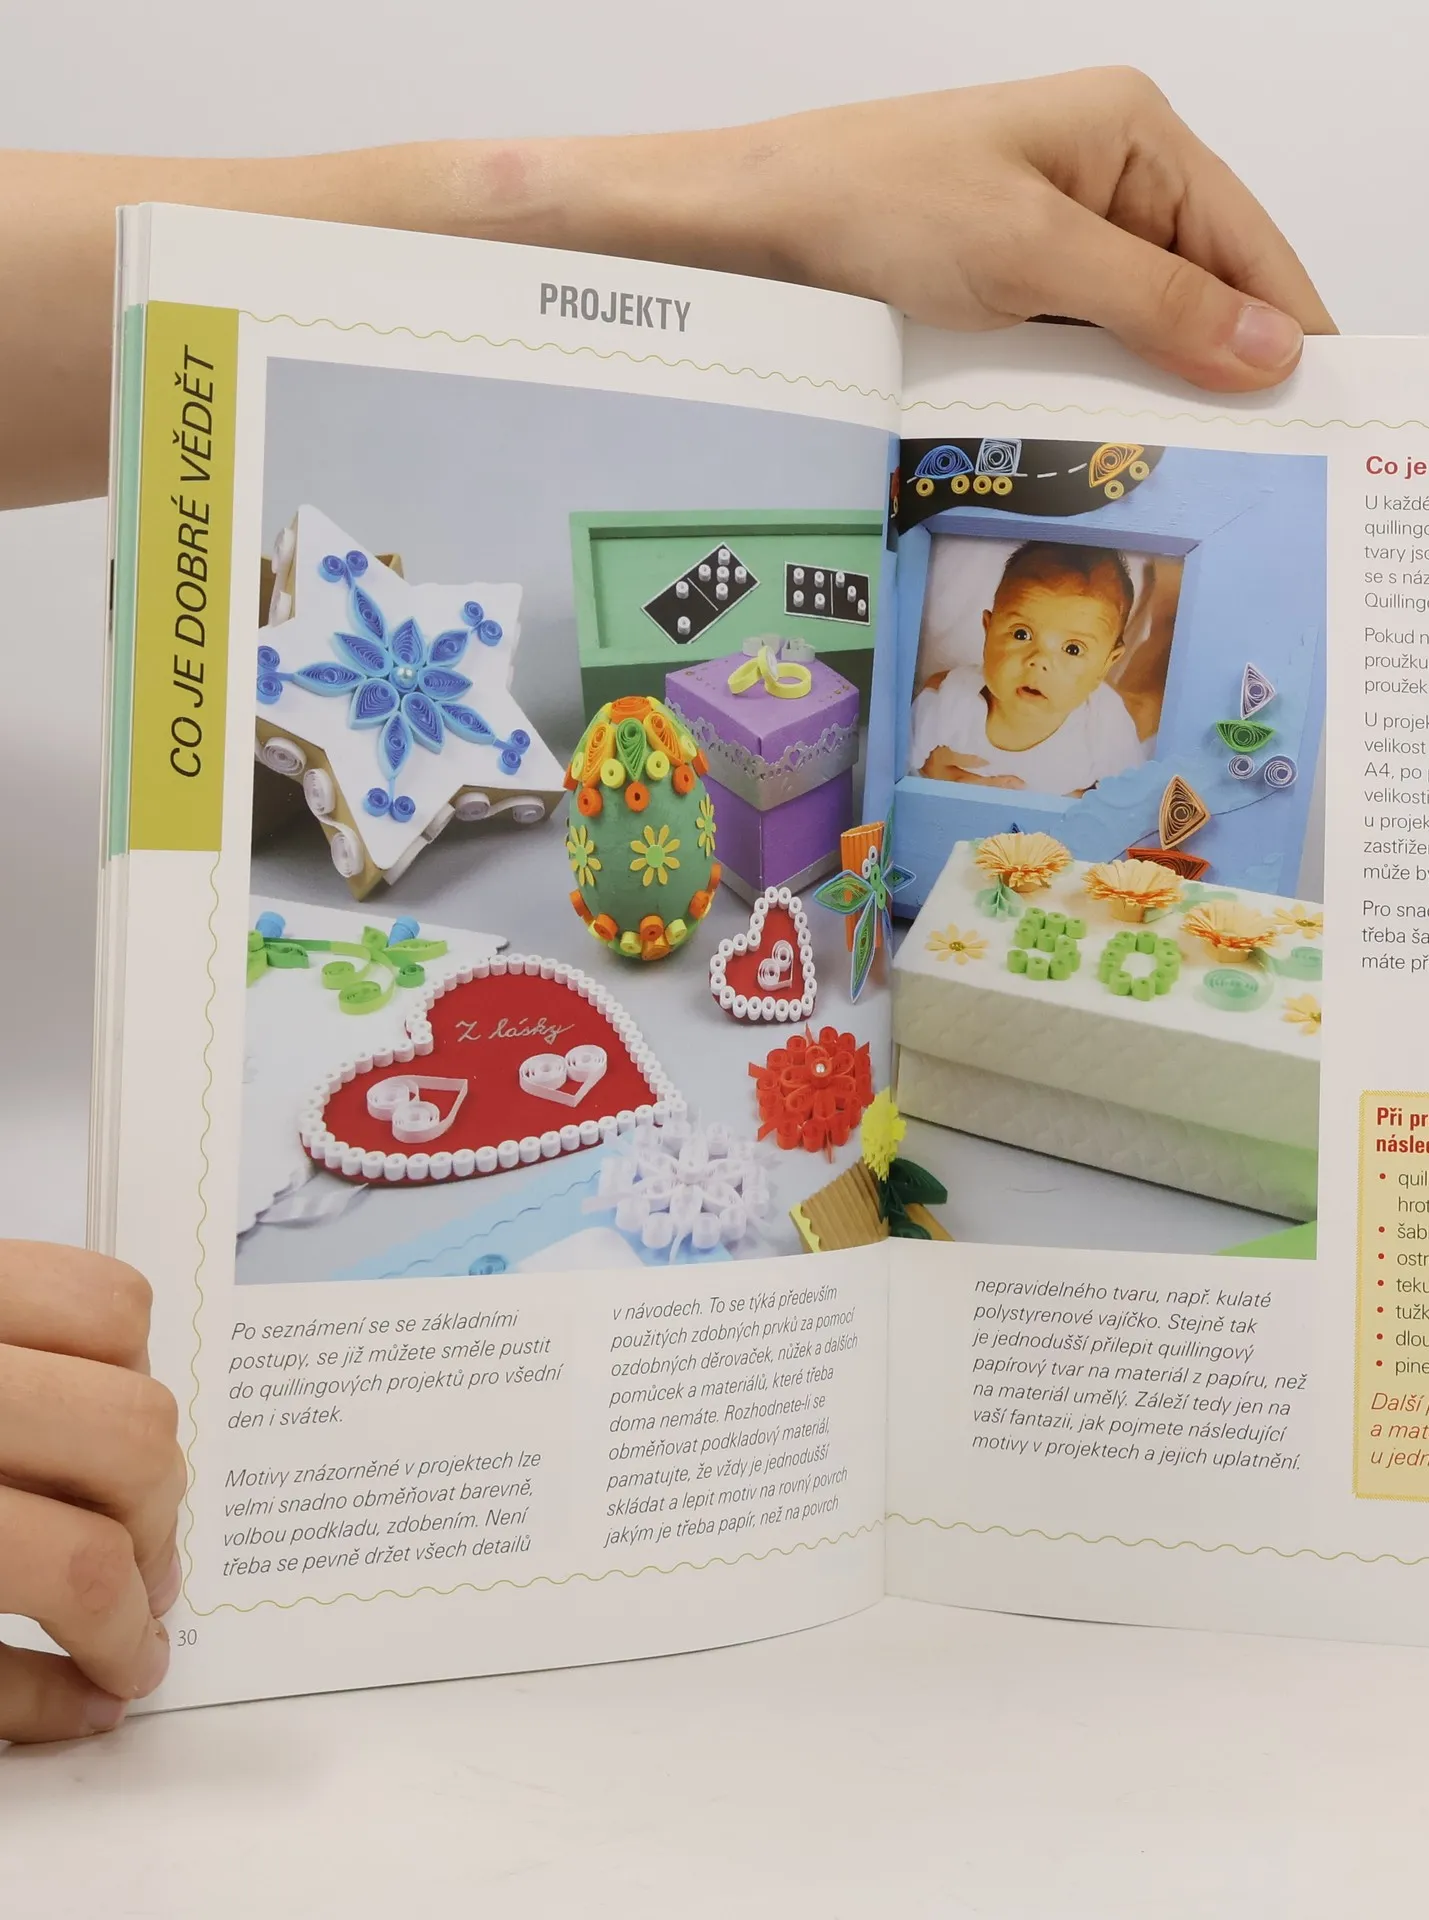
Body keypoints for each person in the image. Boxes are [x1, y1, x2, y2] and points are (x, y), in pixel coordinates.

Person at [0, 67, 1331, 1743]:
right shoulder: (909, 709)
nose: (1029, 664)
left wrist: (707, 198)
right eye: (1012, 635)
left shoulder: (1103, 744)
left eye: (1071, 648)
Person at [912, 542, 1147, 792]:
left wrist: (1078, 801)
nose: (1039, 661)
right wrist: (930, 772)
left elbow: (1130, 797)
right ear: (988, 630)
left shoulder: (1105, 725)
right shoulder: (950, 703)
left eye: (1073, 649)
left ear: (1106, 664)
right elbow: (897, 769)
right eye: (1021, 634)